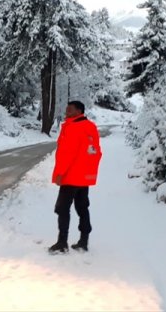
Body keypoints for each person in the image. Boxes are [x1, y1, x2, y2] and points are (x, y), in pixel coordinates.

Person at [49, 100, 102, 253]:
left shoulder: (73, 127)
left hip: (71, 176)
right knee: (82, 208)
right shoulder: (91, 127)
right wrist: (89, 171)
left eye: (70, 110)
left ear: (79, 111)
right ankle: (84, 241)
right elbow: (95, 151)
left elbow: (67, 154)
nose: (67, 112)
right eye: (67, 109)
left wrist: (60, 173)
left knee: (62, 208)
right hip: (83, 177)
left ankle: (62, 243)